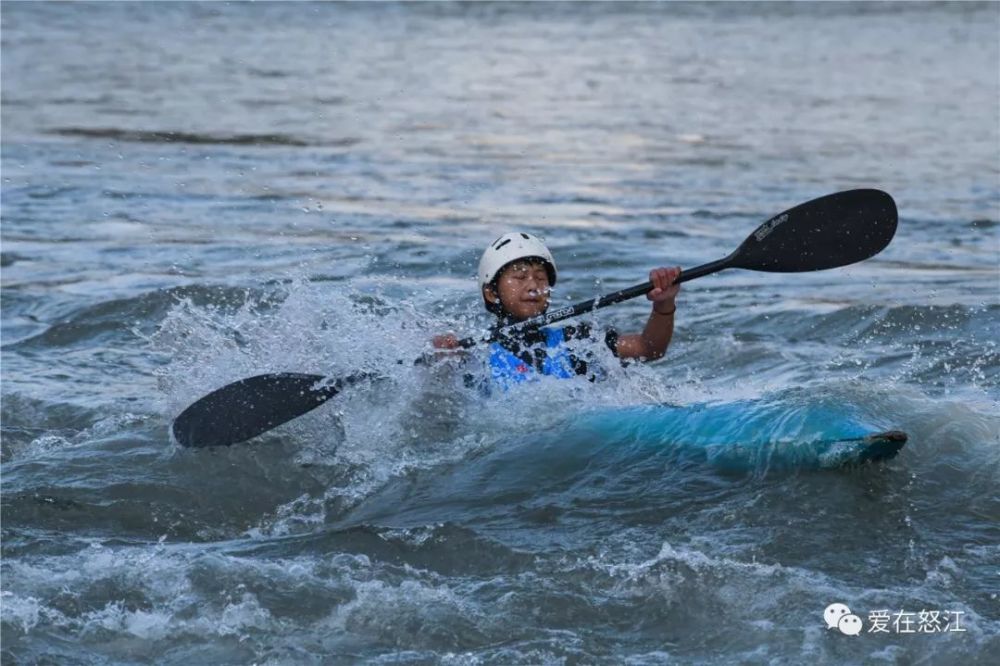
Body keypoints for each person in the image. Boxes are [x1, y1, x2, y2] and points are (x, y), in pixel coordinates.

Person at [433, 232, 680, 389]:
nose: (533, 286)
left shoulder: (577, 342)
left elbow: (650, 348)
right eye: (519, 277)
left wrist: (663, 304)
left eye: (541, 278)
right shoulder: (472, 355)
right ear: (491, 293)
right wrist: (439, 356)